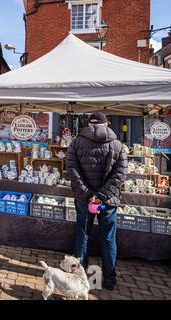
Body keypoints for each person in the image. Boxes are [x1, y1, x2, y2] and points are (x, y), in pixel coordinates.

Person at [66, 112, 128, 291]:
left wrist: (88, 195)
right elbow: (121, 174)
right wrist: (102, 195)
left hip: (85, 200)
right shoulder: (117, 145)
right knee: (108, 239)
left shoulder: (77, 143)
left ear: (89, 124)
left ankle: (79, 278)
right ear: (106, 124)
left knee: (83, 236)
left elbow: (71, 170)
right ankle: (109, 280)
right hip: (108, 201)